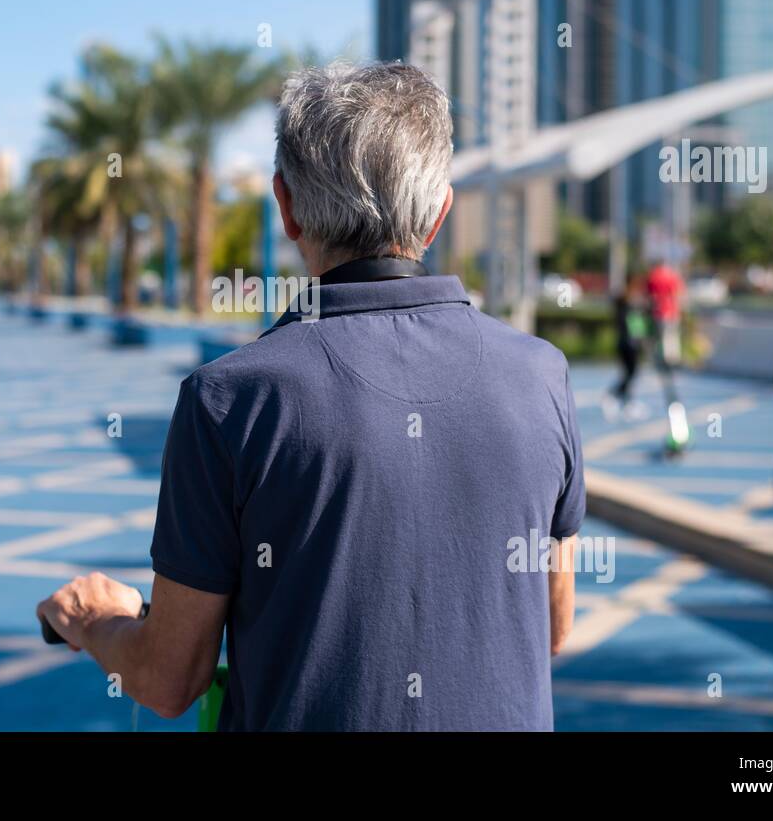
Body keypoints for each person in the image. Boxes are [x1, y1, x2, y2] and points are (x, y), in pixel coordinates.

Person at [37, 62, 585, 730]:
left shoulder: (227, 399)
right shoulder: (542, 375)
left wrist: (97, 620)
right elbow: (553, 623)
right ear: (440, 211)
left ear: (287, 206)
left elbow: (169, 679)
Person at [603, 275, 649, 421]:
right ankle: (614, 395)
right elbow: (633, 325)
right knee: (631, 373)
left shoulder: (627, 303)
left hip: (627, 343)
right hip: (628, 343)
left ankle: (625, 401)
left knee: (630, 373)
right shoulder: (626, 304)